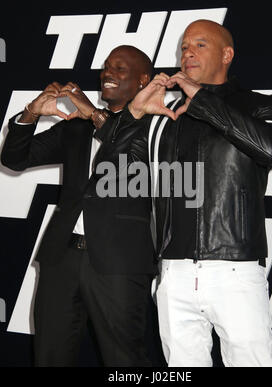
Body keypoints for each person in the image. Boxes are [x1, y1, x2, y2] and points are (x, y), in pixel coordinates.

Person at [124, 20, 272, 367]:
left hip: (236, 270)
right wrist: (136, 112)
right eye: (184, 46)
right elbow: (113, 158)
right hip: (174, 272)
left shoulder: (261, 104)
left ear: (227, 55)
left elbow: (270, 148)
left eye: (199, 44)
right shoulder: (164, 115)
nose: (187, 52)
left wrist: (200, 100)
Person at [1, 45, 156, 367]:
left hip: (120, 264)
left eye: (119, 68)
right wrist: (30, 112)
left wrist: (94, 115)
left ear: (144, 80)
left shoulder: (156, 129)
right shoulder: (77, 127)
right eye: (105, 67)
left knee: (125, 362)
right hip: (62, 258)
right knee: (50, 358)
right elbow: (14, 158)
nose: (107, 74)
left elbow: (134, 159)